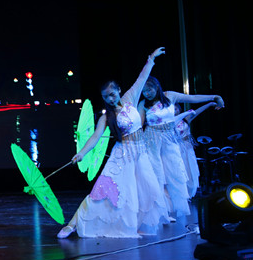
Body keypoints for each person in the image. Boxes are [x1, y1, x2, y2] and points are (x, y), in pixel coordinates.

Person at [57, 47, 168, 239]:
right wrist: (81, 153)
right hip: (121, 155)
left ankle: (132, 224)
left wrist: (151, 59)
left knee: (145, 190)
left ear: (118, 90)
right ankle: (73, 224)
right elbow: (95, 137)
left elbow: (142, 78)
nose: (110, 98)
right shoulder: (106, 117)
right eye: (106, 96)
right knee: (101, 191)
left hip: (140, 154)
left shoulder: (130, 99)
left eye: (112, 94)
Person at [138, 76, 224, 219]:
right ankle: (161, 212)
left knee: (175, 173)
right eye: (144, 91)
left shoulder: (169, 96)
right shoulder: (143, 104)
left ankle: (174, 208)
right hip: (151, 140)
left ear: (157, 87)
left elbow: (193, 98)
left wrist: (215, 97)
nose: (147, 93)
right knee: (157, 174)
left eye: (149, 89)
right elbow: (139, 126)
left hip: (169, 138)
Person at [174, 102, 217, 199]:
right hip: (176, 148)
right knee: (179, 171)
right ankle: (181, 194)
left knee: (190, 169)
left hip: (187, 148)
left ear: (179, 110)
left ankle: (189, 194)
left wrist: (210, 104)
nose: (174, 111)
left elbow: (197, 111)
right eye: (172, 109)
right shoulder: (168, 122)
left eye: (176, 108)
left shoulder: (185, 119)